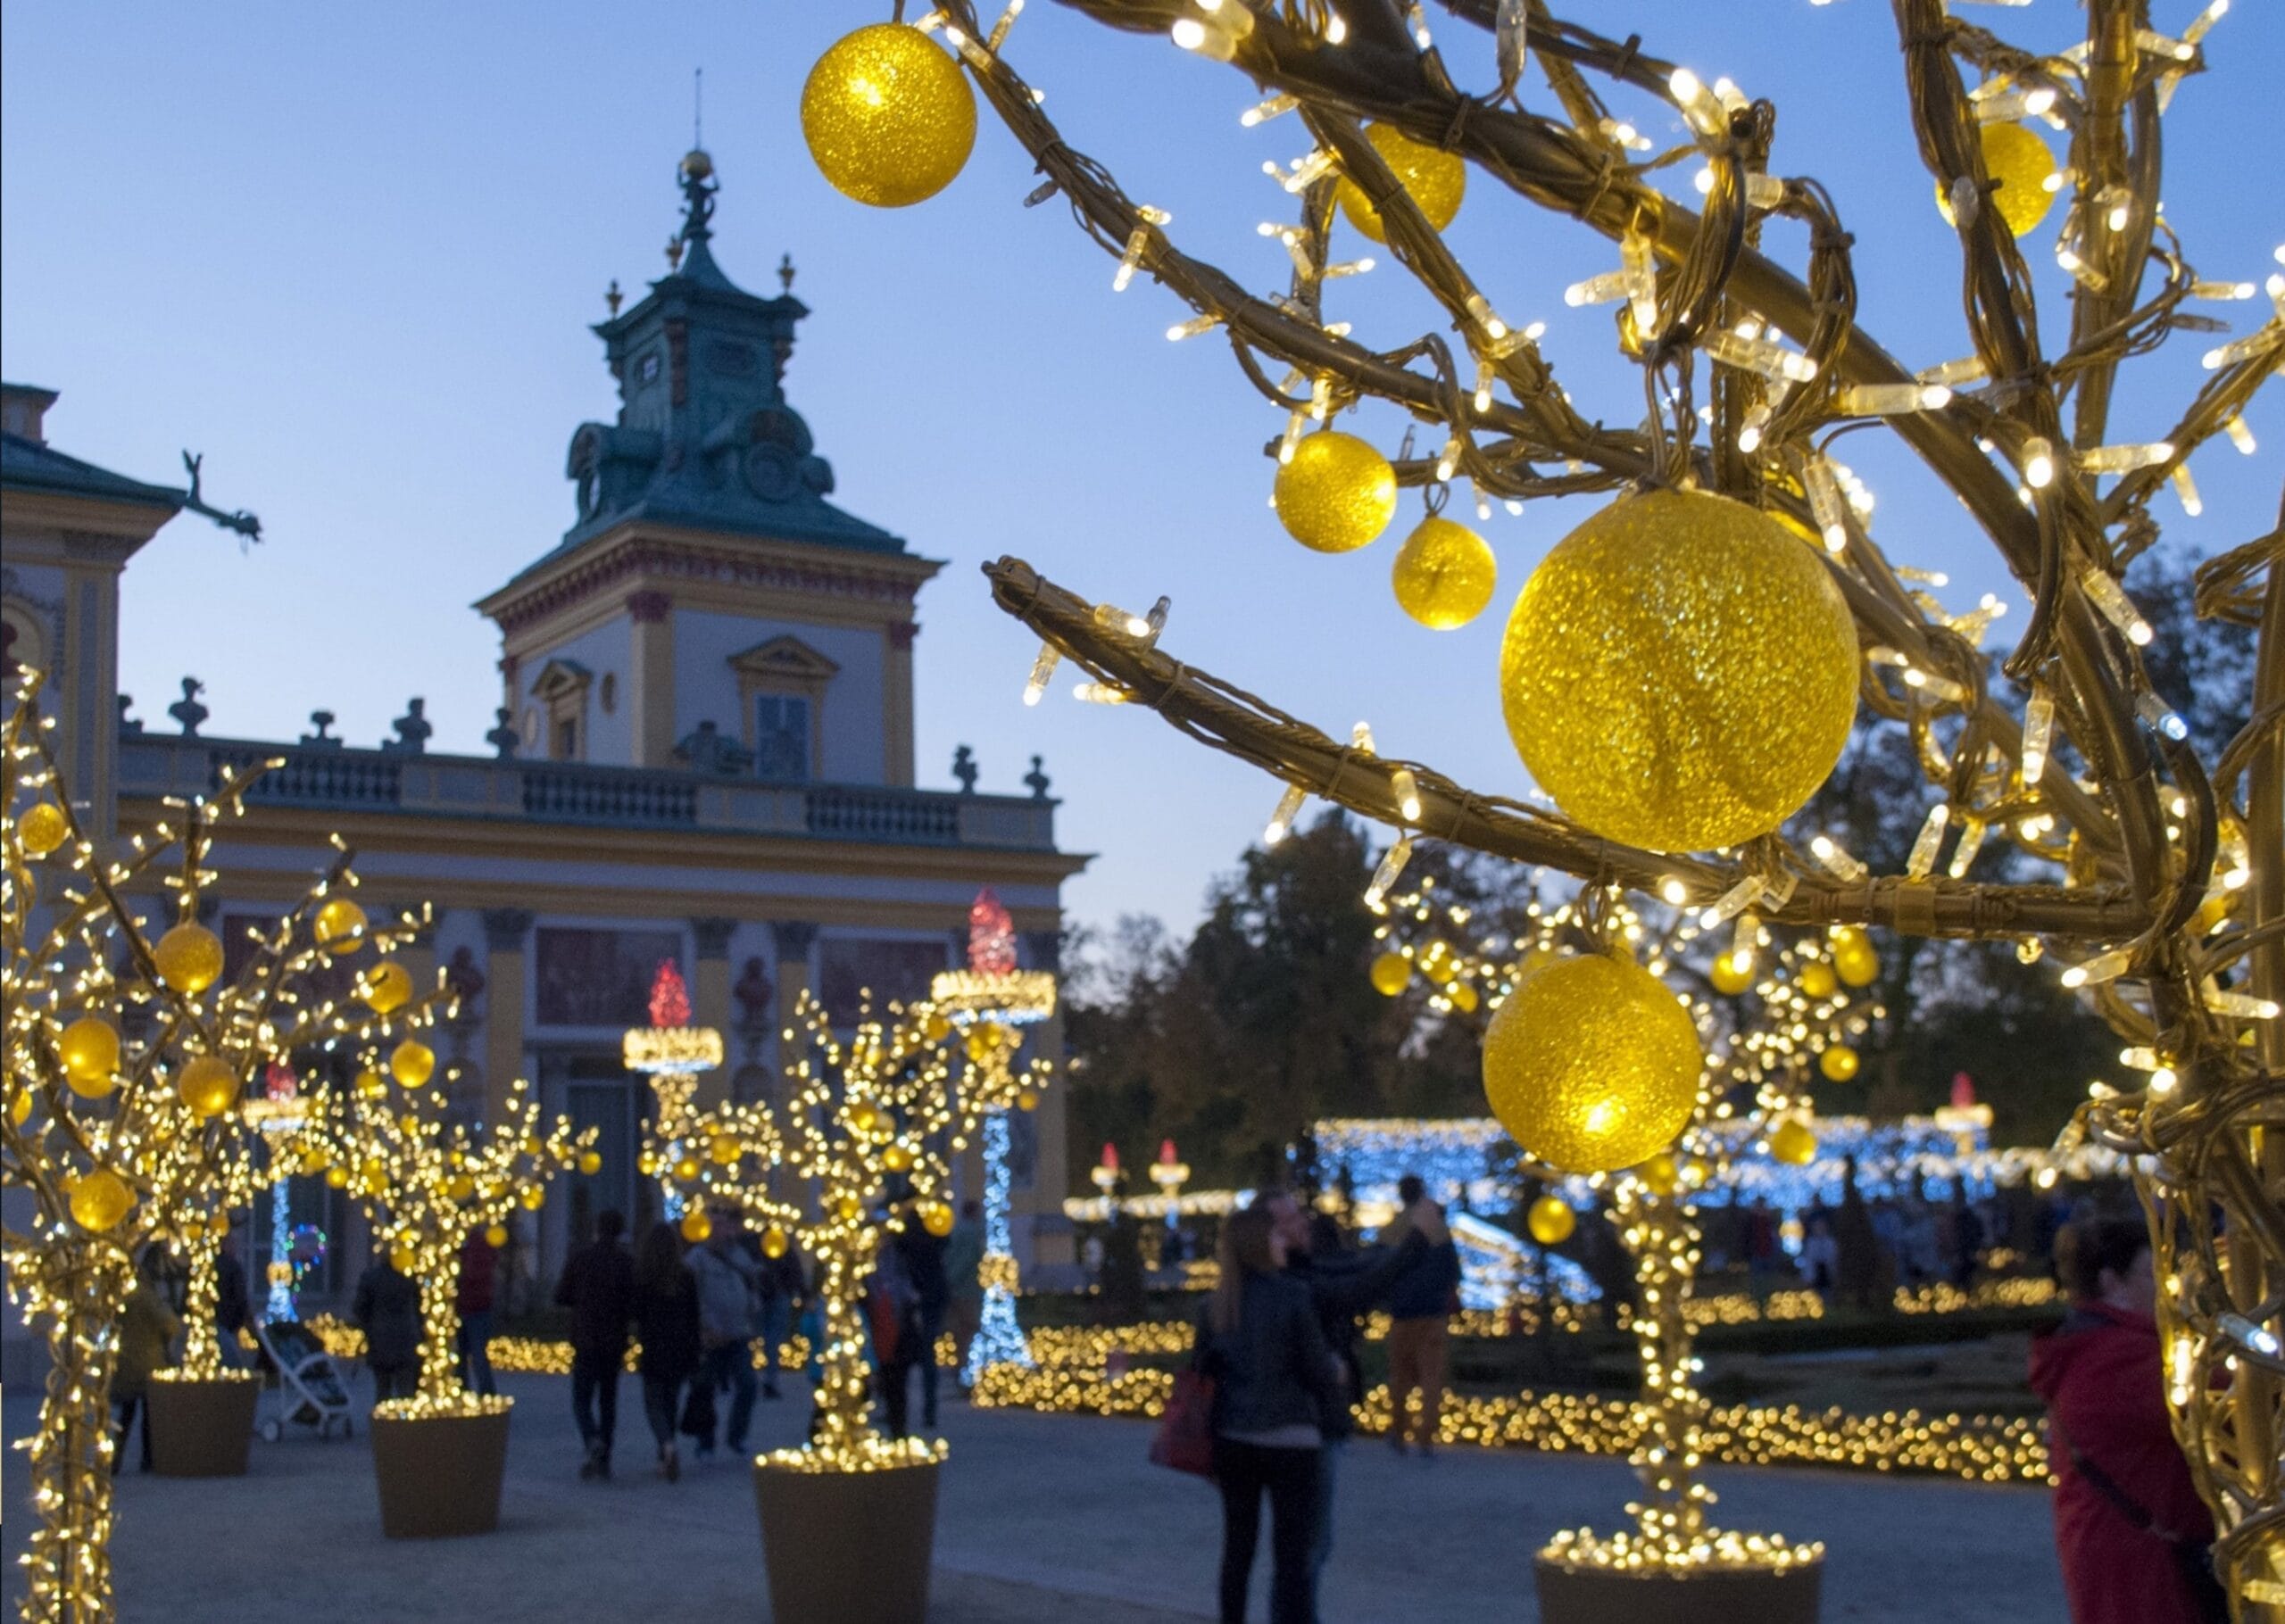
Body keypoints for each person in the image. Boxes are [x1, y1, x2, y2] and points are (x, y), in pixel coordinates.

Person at [2030, 1217, 2222, 1624]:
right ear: (2111, 1280)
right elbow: (2215, 1396)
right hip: (2141, 1567)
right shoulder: (2111, 1357)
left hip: (2125, 1556)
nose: (2160, 1284)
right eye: (2150, 1271)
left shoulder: (2094, 1346)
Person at [1262, 1192, 1413, 1604]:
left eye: (1300, 1216)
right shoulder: (1291, 1285)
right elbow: (1355, 1290)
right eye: (1290, 1221)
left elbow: (1354, 1271)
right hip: (1306, 1422)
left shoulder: (1302, 1270)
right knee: (1308, 1544)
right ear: (1267, 1234)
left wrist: (1395, 1246)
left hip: (1314, 1419)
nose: (1302, 1224)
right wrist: (1415, 1242)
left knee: (1307, 1543)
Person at [1195, 1205, 1338, 1624]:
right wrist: (1336, 1370)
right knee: (1291, 1554)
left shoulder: (1215, 1306)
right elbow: (1317, 1371)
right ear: (1259, 1244)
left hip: (1235, 1438)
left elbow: (1201, 1372)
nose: (1283, 1243)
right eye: (1276, 1236)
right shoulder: (1293, 1296)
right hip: (1291, 1439)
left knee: (1237, 1550)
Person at [1379, 1173, 1460, 1459]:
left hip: (1402, 1314)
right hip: (1433, 1313)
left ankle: (1398, 1434)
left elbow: (1381, 1274)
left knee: (1400, 1378)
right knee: (1431, 1378)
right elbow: (1452, 1272)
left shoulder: (1390, 1230)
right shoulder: (1439, 1230)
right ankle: (1425, 1438)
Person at [555, 1208, 636, 1479]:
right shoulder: (625, 1262)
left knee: (581, 1398)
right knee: (608, 1401)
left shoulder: (581, 1258)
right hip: (614, 1339)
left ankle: (591, 1439)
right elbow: (633, 1303)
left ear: (597, 1229)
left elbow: (562, 1294)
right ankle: (604, 1459)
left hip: (586, 1337)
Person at [688, 1211, 761, 1459]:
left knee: (749, 1385)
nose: (723, 1231)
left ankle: (737, 1436)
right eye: (717, 1226)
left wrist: (752, 1310)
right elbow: (691, 1297)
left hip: (738, 1334)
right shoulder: (697, 1258)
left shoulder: (739, 1255)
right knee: (705, 1388)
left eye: (725, 1225)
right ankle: (705, 1441)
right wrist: (702, 1328)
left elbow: (751, 1285)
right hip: (712, 1337)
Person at [633, 1222, 702, 1481]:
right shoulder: (685, 1275)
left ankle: (667, 1446)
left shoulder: (644, 1275)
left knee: (653, 1403)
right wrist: (696, 1351)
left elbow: (636, 1311)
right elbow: (694, 1316)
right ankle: (665, 1452)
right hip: (681, 1347)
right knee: (671, 1401)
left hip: (654, 1345)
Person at [114, 1247, 181, 1473]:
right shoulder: (145, 1296)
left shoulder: (123, 1296)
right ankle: (148, 1460)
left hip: (126, 1362)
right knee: (147, 1416)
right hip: (145, 1362)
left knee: (126, 1414)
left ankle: (115, 1460)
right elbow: (168, 1323)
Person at [893, 1213, 951, 1431]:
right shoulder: (935, 1231)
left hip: (913, 1300)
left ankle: (899, 1410)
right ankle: (928, 1411)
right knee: (927, 1357)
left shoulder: (906, 1237)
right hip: (932, 1297)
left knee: (901, 1359)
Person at [352, 1249, 421, 1404]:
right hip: (405, 1338)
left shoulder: (371, 1278)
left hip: (380, 1339)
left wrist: (369, 1324)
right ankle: (405, 1425)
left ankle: (384, 1425)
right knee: (405, 1389)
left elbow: (359, 1308)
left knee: (383, 1390)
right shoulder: (409, 1278)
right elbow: (419, 1306)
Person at [757, 1236, 805, 1401]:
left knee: (767, 1338)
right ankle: (770, 1380)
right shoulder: (782, 1247)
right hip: (776, 1296)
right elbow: (796, 1271)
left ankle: (768, 1380)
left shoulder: (760, 1245)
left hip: (769, 1296)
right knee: (772, 1339)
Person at [943, 1200, 985, 1385]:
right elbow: (968, 1260)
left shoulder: (956, 1230)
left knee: (958, 1329)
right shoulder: (971, 1233)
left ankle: (959, 1365)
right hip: (966, 1289)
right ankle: (963, 1366)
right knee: (969, 1327)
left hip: (956, 1288)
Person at [456, 1228, 498, 1397]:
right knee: (464, 1354)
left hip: (474, 1307)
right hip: (470, 1307)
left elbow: (473, 1274)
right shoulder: (469, 1244)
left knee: (476, 1354)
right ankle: (464, 1389)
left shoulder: (476, 1245)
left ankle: (484, 1392)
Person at [212, 1233, 252, 1368]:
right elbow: (240, 1297)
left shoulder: (212, 1265)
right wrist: (241, 1319)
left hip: (216, 1319)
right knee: (231, 1358)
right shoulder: (233, 1267)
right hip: (229, 1320)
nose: (235, 1247)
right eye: (232, 1244)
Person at [1798, 1214, 1839, 1295]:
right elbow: (1808, 1260)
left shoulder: (1830, 1242)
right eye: (1817, 1226)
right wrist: (1807, 1277)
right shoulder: (1810, 1242)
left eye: (1822, 1226)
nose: (1820, 1228)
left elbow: (1833, 1258)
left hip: (1827, 1273)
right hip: (1815, 1274)